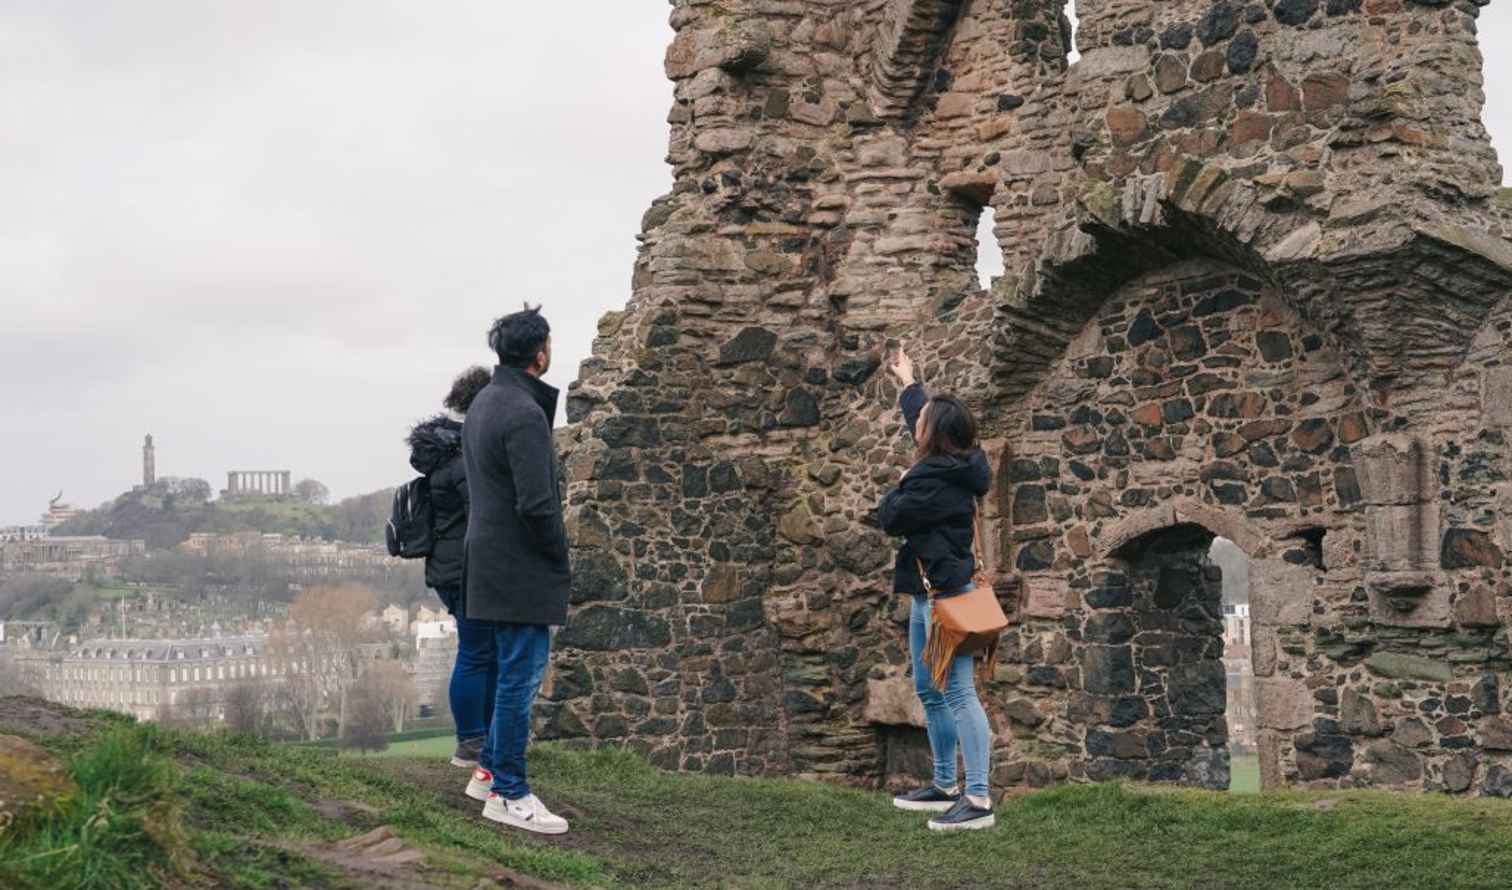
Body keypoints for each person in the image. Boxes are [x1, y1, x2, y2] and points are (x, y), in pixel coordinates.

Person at [460, 305, 573, 836]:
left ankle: (487, 771)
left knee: (509, 672)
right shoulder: (524, 414)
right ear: (540, 353)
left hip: (486, 555)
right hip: (519, 561)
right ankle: (508, 791)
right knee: (521, 678)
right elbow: (537, 504)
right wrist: (558, 552)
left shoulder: (485, 400)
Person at [876, 347, 996, 832]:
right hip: (930, 593)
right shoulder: (956, 461)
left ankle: (979, 798)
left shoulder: (928, 480)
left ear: (936, 437)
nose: (917, 427)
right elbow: (921, 421)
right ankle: (945, 786)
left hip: (948, 594)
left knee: (960, 692)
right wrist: (909, 382)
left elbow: (890, 517)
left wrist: (899, 483)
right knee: (930, 688)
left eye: (923, 422)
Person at [407, 366, 492, 769]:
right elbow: (480, 515)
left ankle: (479, 738)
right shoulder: (462, 459)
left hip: (448, 567)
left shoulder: (444, 452)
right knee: (477, 652)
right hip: (466, 568)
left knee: (480, 650)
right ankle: (472, 743)